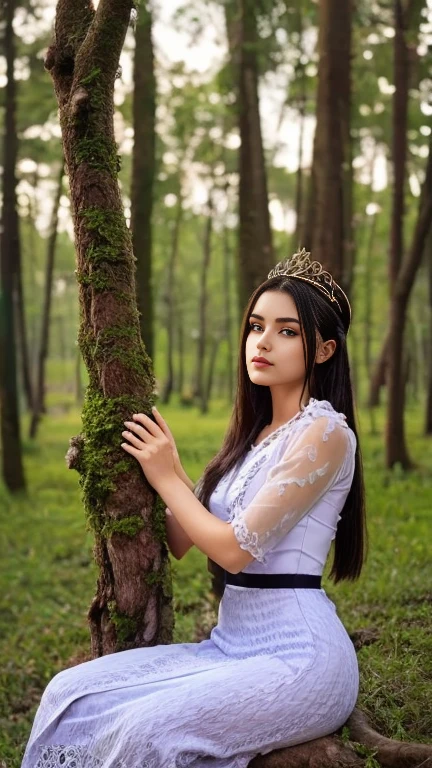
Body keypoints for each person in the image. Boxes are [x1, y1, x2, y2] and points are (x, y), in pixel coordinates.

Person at [21, 248, 366, 768]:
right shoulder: (247, 443)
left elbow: (231, 552)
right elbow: (182, 541)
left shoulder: (325, 432)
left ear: (324, 351)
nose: (263, 342)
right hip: (229, 646)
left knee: (145, 731)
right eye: (255, 326)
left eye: (287, 331)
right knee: (69, 693)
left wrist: (166, 476)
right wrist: (175, 468)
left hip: (301, 657)